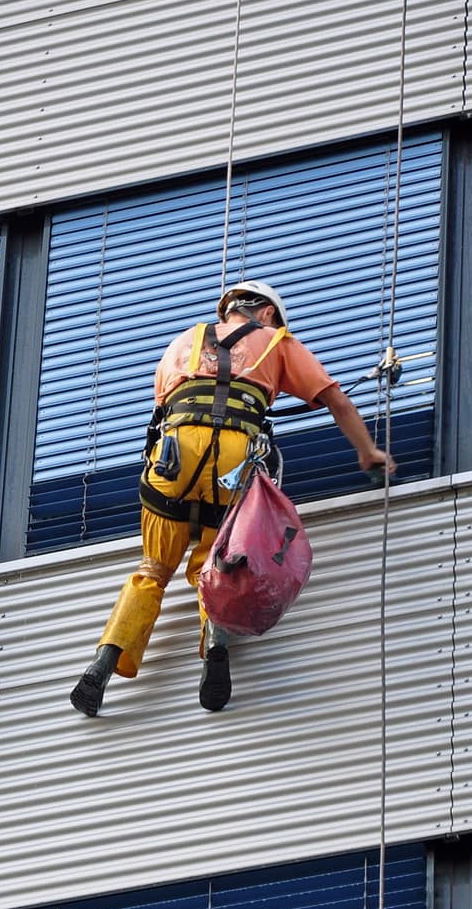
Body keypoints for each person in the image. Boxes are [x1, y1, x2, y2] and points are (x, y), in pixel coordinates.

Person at [69, 280, 394, 716]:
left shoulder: (183, 341)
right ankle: (216, 647)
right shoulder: (276, 341)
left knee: (152, 569)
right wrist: (366, 450)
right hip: (232, 458)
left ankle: (102, 664)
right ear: (266, 313)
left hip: (174, 456)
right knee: (214, 564)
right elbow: (334, 399)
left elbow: (163, 404)